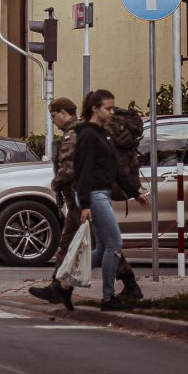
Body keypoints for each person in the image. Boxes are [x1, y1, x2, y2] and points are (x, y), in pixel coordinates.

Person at [73, 89, 148, 311]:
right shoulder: (87, 134)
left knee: (102, 249)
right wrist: (85, 204)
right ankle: (108, 298)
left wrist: (135, 192)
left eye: (113, 107)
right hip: (94, 195)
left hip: (102, 193)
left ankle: (64, 281)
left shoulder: (103, 133)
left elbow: (115, 168)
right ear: (95, 109)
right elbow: (83, 171)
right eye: (108, 108)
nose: (112, 112)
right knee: (114, 244)